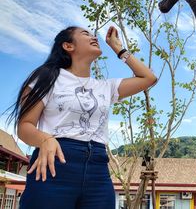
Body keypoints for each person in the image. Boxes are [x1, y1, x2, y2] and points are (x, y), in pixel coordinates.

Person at [7, 25, 157, 209]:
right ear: (68, 46)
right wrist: (45, 139)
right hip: (55, 164)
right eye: (86, 34)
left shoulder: (105, 87)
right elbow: (25, 126)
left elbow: (148, 78)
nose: (94, 37)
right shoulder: (46, 78)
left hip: (98, 169)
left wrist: (119, 48)